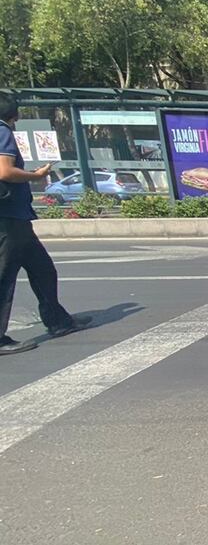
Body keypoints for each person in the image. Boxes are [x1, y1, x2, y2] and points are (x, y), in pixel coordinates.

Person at [0, 99, 90, 355]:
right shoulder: (3, 131)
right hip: (8, 219)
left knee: (43, 270)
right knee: (4, 277)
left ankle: (58, 321)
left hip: (16, 219)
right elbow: (4, 171)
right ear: (13, 114)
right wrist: (36, 176)